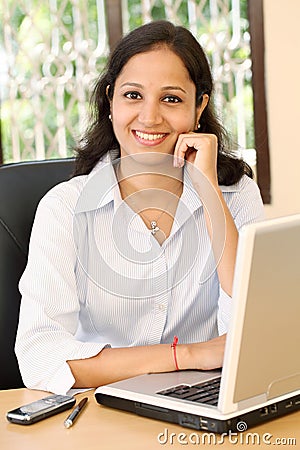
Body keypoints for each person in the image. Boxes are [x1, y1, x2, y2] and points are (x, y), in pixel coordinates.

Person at [15, 20, 264, 394]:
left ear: (200, 107)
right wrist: (186, 355)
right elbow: (39, 357)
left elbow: (251, 332)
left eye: (171, 98)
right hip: (100, 414)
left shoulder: (237, 195)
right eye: (133, 95)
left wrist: (209, 190)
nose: (149, 117)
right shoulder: (64, 209)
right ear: (111, 100)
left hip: (207, 408)